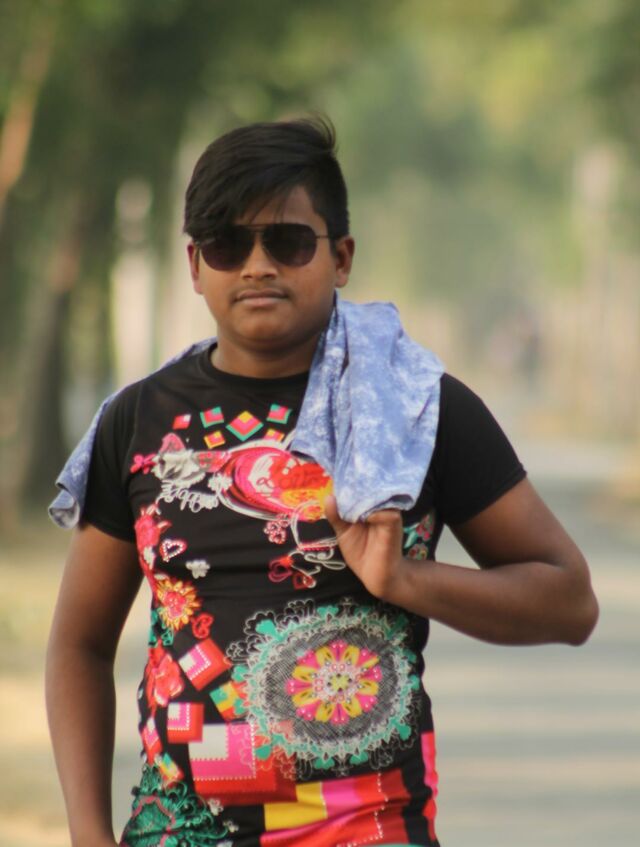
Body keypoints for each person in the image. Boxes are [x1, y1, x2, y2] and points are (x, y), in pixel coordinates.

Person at [46, 117, 599, 847]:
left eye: (288, 241)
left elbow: (570, 601)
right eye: (227, 244)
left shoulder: (415, 411)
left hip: (370, 830)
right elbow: (80, 644)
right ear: (195, 266)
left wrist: (404, 580)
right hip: (179, 831)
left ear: (341, 257)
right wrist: (88, 834)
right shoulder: (138, 422)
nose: (257, 266)